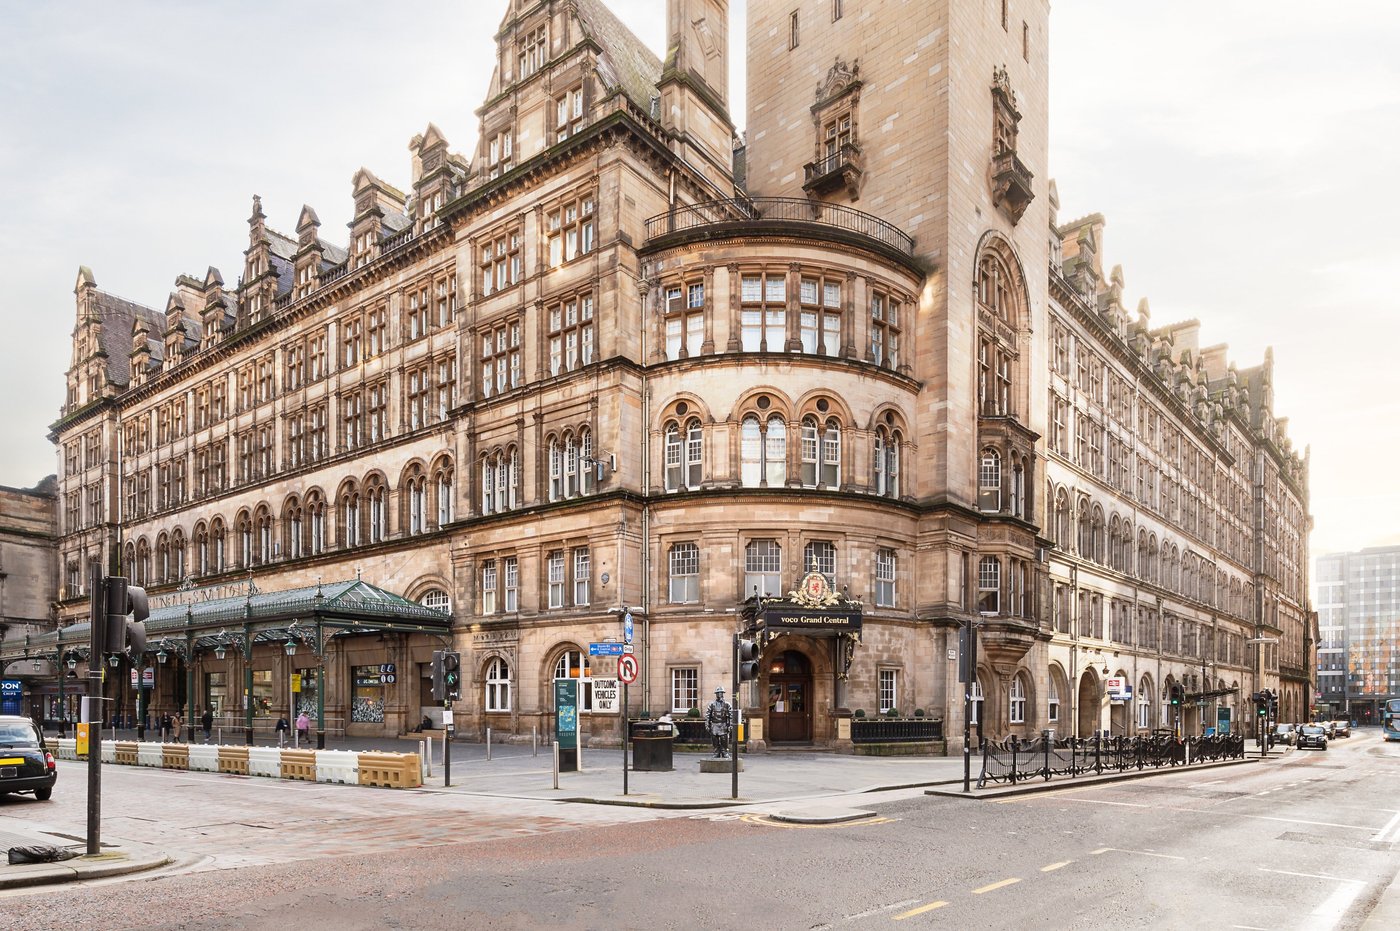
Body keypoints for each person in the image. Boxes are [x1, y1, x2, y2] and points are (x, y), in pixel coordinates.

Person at [705, 687, 732, 759]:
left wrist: (730, 725)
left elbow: (730, 715)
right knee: (715, 739)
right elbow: (708, 715)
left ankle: (724, 751)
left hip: (723, 724)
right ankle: (716, 752)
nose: (719, 694)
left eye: (721, 693)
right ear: (716, 694)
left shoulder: (727, 704)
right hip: (714, 724)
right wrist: (707, 724)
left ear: (723, 694)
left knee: (724, 739)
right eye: (718, 693)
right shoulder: (712, 704)